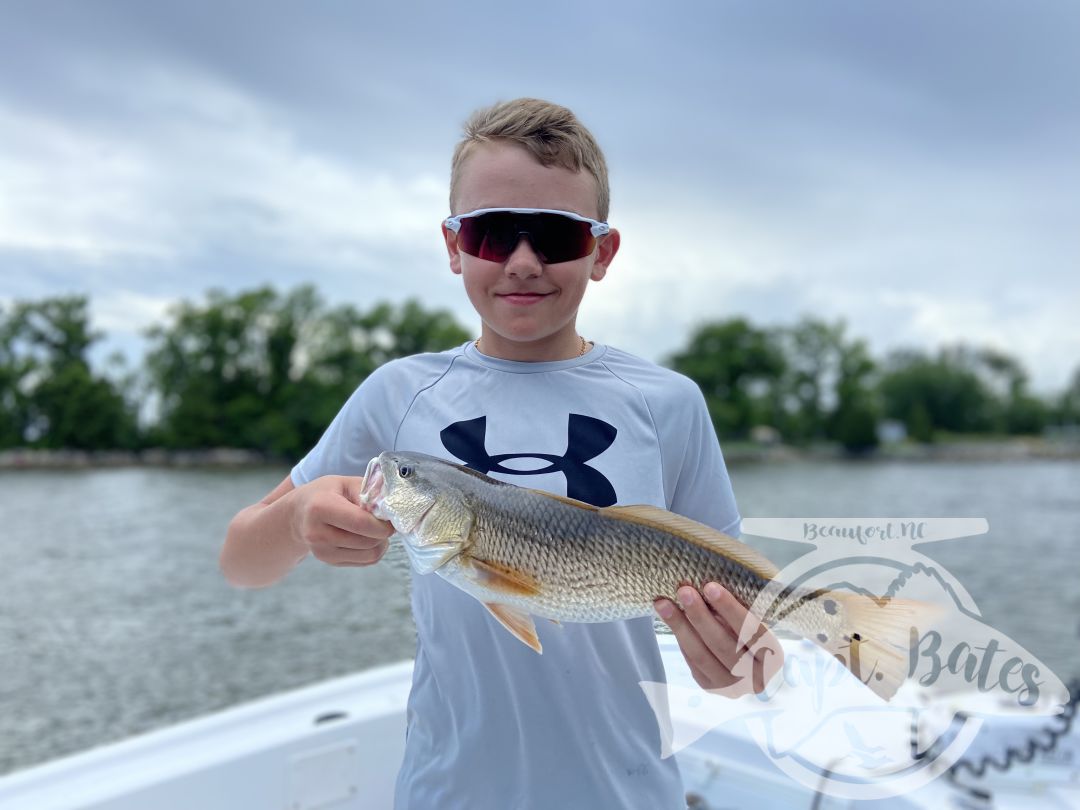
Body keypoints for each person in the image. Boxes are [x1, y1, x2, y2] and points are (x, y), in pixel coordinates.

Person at [220, 98, 783, 809]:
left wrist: (737, 665)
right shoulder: (398, 394)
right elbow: (241, 563)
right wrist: (297, 515)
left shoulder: (669, 403)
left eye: (555, 236)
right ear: (453, 245)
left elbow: (750, 669)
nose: (521, 262)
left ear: (601, 252)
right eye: (492, 235)